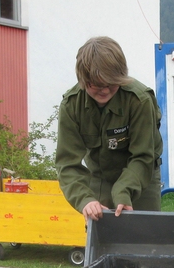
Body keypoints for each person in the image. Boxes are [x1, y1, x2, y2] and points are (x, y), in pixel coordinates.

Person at [55, 36, 163, 221]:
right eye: (96, 85)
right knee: (102, 230)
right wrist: (85, 200)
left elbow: (143, 156)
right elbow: (67, 164)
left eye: (111, 83)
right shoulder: (71, 105)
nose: (104, 90)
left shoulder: (139, 100)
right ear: (83, 80)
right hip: (100, 177)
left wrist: (123, 192)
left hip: (141, 174)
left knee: (145, 231)